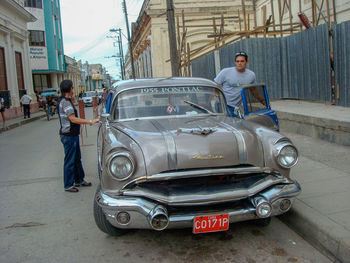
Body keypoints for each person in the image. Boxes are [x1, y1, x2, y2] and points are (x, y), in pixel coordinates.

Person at [57, 79, 99, 193]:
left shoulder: (67, 100)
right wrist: (90, 121)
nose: (73, 90)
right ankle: (68, 184)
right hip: (69, 135)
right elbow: (72, 119)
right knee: (70, 160)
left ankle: (79, 180)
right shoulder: (65, 102)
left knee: (76, 159)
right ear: (70, 89)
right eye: (72, 88)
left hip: (72, 135)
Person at [214, 51, 256, 117]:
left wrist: (264, 102)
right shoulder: (225, 72)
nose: (239, 63)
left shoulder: (251, 75)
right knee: (230, 124)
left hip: (236, 107)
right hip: (223, 105)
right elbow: (215, 87)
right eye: (237, 61)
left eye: (242, 61)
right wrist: (207, 103)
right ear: (235, 62)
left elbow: (253, 90)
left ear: (246, 62)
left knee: (239, 124)